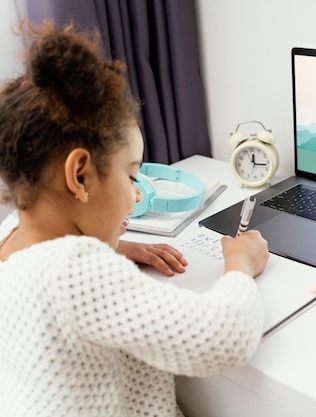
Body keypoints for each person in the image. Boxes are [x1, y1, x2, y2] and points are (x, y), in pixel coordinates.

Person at [0, 21, 269, 417]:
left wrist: (115, 246)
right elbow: (221, 339)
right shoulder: (75, 271)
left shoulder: (11, 236)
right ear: (79, 176)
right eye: (130, 175)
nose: (138, 193)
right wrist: (240, 264)